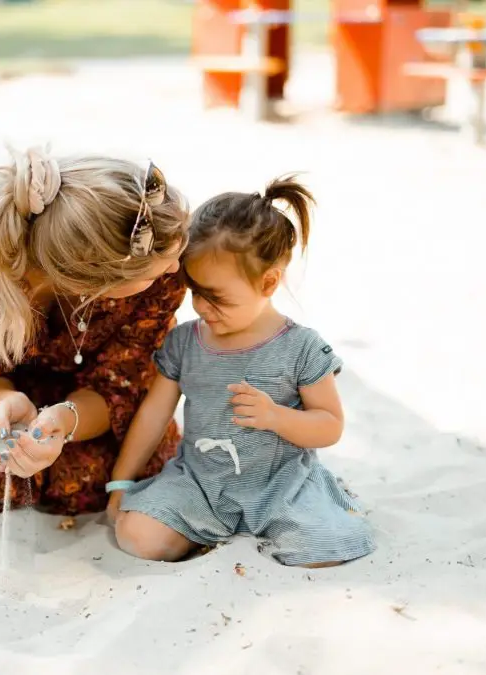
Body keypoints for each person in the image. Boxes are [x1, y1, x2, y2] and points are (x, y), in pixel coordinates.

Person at [0, 147, 192, 522]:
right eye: (154, 272)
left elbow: (121, 383)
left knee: (99, 472)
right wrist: (3, 403)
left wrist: (63, 422)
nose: (176, 269)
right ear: (87, 282)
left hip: (85, 393)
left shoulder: (162, 255)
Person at [108, 175, 376, 567]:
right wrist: (121, 481)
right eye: (196, 292)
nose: (202, 307)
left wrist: (276, 417)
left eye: (217, 297)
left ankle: (321, 504)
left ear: (268, 282)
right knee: (136, 536)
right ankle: (202, 527)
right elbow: (153, 415)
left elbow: (330, 425)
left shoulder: (300, 347)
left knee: (322, 550)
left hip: (281, 487)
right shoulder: (185, 343)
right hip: (199, 484)